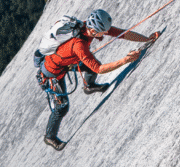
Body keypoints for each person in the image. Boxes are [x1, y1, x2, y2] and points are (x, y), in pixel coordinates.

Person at [36, 9, 160, 150]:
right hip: (52, 74)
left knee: (89, 66)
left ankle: (89, 86)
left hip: (68, 62)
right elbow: (99, 69)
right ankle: (49, 137)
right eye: (103, 32)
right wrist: (125, 60)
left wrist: (147, 39)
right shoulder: (79, 45)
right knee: (62, 107)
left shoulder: (88, 26)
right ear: (94, 31)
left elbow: (122, 33)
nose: (105, 34)